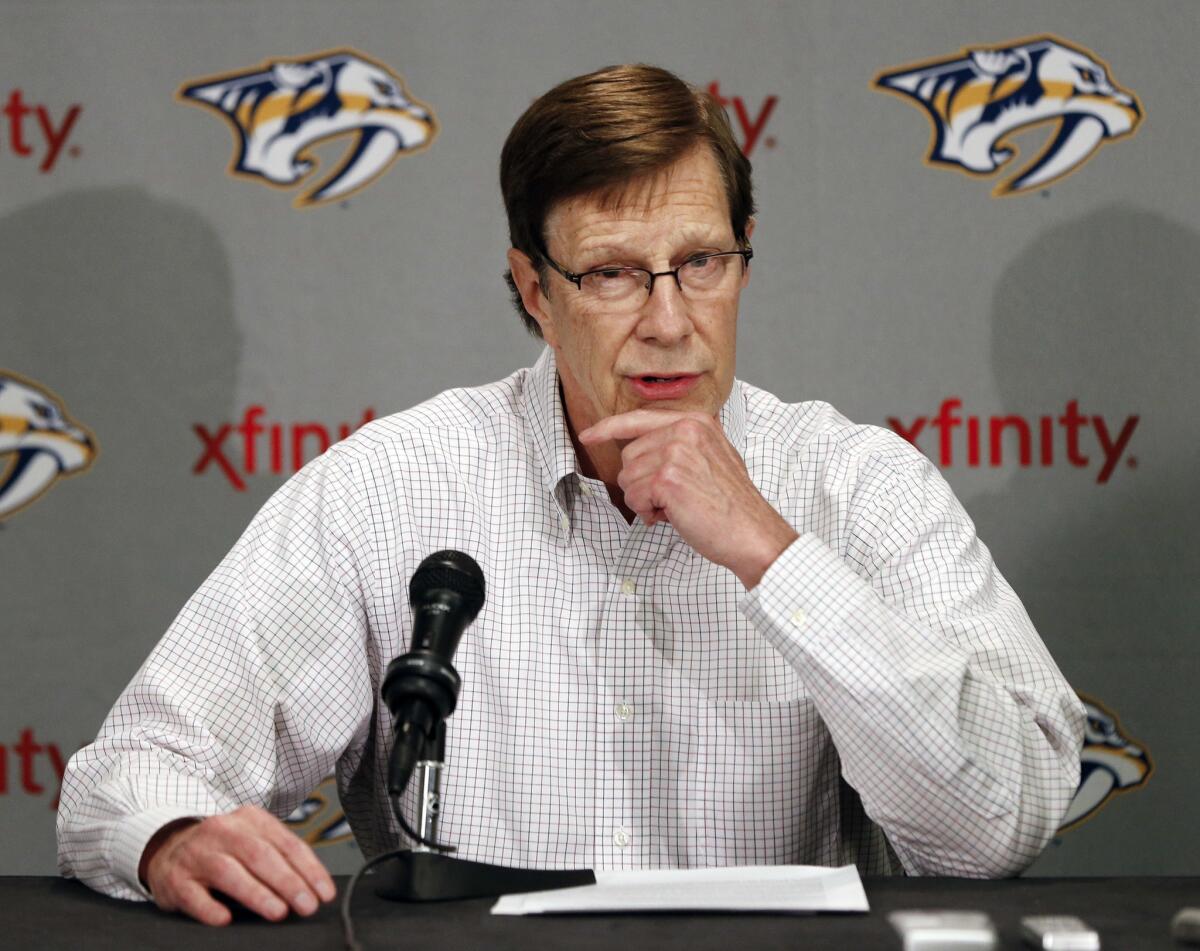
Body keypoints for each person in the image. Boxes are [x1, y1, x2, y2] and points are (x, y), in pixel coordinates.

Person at [57, 64, 1085, 926]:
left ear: (743, 257)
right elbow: (133, 770)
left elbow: (999, 827)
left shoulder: (860, 487)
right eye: (613, 275)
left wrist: (777, 560)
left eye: (701, 263)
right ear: (535, 290)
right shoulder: (388, 489)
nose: (671, 321)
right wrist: (175, 831)